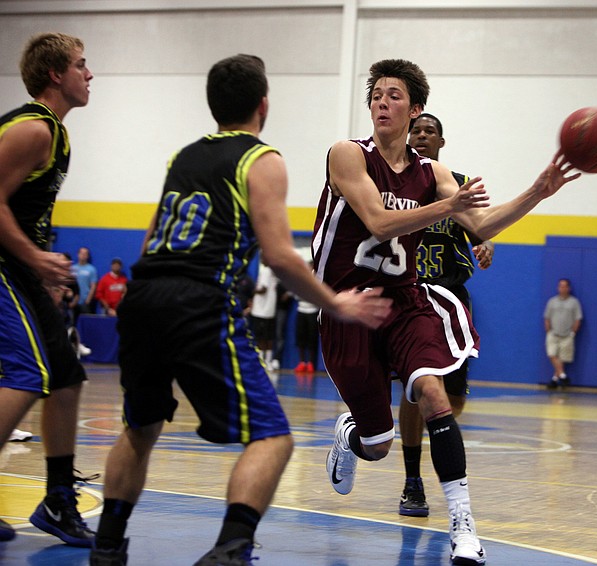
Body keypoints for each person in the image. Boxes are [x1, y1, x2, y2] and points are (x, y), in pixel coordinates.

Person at [89, 54, 390, 566]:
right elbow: (277, 254)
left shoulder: (182, 157)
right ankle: (230, 550)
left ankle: (108, 547)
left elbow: (150, 238)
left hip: (143, 296)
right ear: (263, 104)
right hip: (198, 300)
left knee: (139, 427)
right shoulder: (260, 158)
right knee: (272, 438)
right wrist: (335, 301)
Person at [312, 58, 580, 566]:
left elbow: (482, 225)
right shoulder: (346, 154)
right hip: (347, 309)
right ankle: (353, 433)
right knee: (378, 445)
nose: (382, 103)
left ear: (414, 111)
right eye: (377, 95)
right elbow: (378, 219)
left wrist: (537, 192)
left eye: (394, 96)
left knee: (434, 391)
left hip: (405, 301)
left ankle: (463, 525)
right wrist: (448, 206)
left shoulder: (432, 173)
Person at [0, 32, 96, 547]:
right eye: (81, 65)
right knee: (26, 373)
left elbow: (20, 211)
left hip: (18, 267)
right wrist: (34, 258)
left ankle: (58, 500)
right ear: (56, 75)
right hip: (4, 266)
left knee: (65, 375)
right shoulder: (33, 129)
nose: (90, 74)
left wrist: (41, 268)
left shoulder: (56, 133)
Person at [397, 113, 494, 518]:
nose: (421, 136)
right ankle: (413, 481)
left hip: (451, 298)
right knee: (415, 388)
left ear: (441, 141)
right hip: (412, 297)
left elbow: (479, 229)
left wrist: (484, 243)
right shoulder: (394, 183)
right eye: (416, 131)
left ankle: (434, 452)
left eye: (429, 131)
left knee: (450, 400)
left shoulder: (456, 182)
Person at [544, 278, 583, 388]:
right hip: (553, 333)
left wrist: (572, 333)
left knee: (562, 358)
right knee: (552, 354)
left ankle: (555, 379)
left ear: (569, 288)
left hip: (567, 335)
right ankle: (563, 375)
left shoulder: (574, 302)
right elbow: (547, 317)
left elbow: (578, 318)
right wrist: (548, 331)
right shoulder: (552, 301)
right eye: (560, 286)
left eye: (564, 286)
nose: (562, 288)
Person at [250, 257, 280, 370]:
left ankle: (262, 360)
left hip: (261, 310)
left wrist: (252, 291)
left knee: (261, 337)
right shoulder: (273, 272)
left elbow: (263, 289)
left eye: (263, 257)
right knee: (269, 337)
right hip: (269, 310)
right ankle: (268, 360)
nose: (262, 259)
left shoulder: (266, 271)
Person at [293, 264, 319, 374]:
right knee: (301, 338)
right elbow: (296, 295)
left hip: (312, 311)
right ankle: (302, 362)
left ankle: (311, 364)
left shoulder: (318, 280)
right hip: (301, 310)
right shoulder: (301, 280)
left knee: (312, 339)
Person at [270, 280, 293, 370]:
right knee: (269, 334)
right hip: (270, 308)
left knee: (279, 334)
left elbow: (294, 290)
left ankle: (276, 359)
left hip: (281, 310)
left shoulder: (288, 280)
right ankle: (267, 357)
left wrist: (288, 294)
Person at [72, 246, 97, 314]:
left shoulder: (91, 269)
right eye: (81, 253)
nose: (83, 255)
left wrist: (88, 299)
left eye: (85, 254)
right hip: (73, 301)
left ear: (88, 256)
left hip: (85, 301)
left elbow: (93, 286)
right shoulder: (72, 269)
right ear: (78, 254)